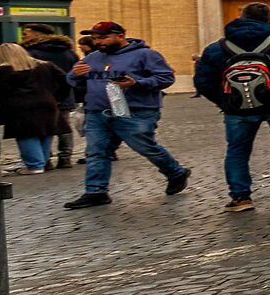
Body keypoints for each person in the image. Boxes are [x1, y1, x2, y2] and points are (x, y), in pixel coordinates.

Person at [195, 2, 270, 211]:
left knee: (237, 150)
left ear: (241, 18)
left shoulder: (216, 48)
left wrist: (225, 101)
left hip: (237, 109)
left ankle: (241, 198)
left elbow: (202, 82)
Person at [70, 21, 192, 209]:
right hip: (97, 112)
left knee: (145, 147)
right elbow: (72, 79)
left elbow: (166, 77)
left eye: (103, 37)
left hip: (136, 110)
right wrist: (75, 75)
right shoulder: (92, 58)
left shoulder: (145, 55)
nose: (98, 42)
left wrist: (137, 83)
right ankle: (96, 191)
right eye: (94, 38)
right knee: (96, 151)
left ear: (120, 35)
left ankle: (176, 173)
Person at [0, 41, 70, 173]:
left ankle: (35, 165)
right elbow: (65, 80)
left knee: (26, 135)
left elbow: (0, 91)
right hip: (47, 103)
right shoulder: (45, 65)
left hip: (19, 107)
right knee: (45, 133)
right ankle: (42, 162)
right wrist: (57, 97)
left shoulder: (3, 70)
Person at [19, 24, 80, 167]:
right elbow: (76, 72)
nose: (23, 37)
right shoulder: (68, 52)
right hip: (65, 94)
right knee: (64, 126)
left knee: (44, 126)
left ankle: (45, 159)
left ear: (38, 35)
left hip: (40, 95)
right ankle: (65, 157)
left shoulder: (30, 52)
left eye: (26, 34)